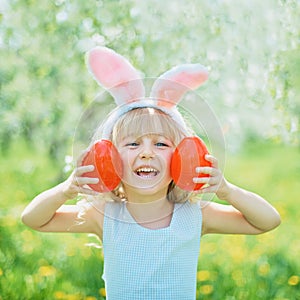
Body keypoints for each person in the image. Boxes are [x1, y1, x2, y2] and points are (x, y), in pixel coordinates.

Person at [22, 47, 281, 300]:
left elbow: (267, 221)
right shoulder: (105, 216)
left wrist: (227, 191)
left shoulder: (195, 214)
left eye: (161, 144)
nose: (146, 153)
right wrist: (66, 189)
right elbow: (34, 219)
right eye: (133, 144)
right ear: (111, 158)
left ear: (182, 159)